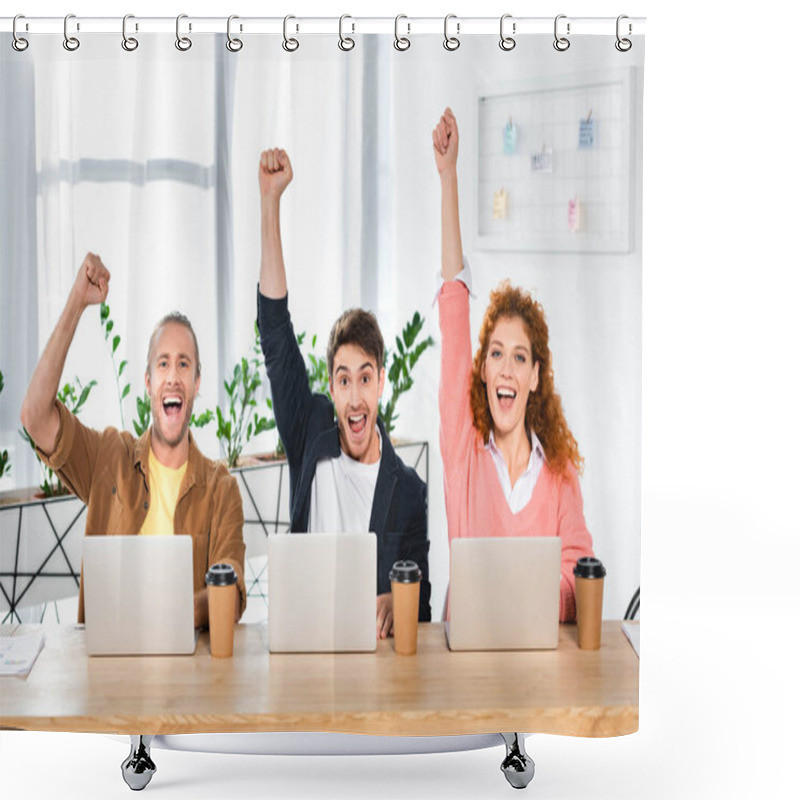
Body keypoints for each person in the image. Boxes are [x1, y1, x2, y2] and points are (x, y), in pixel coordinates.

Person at [256, 148, 431, 638]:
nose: (355, 398)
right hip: (305, 646)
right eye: (343, 379)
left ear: (381, 381)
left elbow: (423, 607)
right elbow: (275, 335)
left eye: (365, 377)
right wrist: (269, 203)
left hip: (371, 674)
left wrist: (398, 603)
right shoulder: (309, 430)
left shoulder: (411, 494)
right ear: (331, 387)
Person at [20, 254, 246, 627]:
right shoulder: (109, 457)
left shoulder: (222, 489)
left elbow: (231, 592)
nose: (173, 376)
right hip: (107, 677)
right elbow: (34, 416)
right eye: (163, 364)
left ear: (196, 384)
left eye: (184, 364)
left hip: (185, 678)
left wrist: (165, 614)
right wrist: (77, 302)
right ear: (148, 384)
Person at [432, 108, 594, 622]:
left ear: (534, 378)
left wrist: (546, 596)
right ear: (482, 370)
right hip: (467, 668)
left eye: (519, 357)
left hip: (537, 671)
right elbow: (456, 311)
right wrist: (448, 177)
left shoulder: (561, 474)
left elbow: (580, 568)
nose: (506, 369)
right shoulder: (465, 453)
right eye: (496, 354)